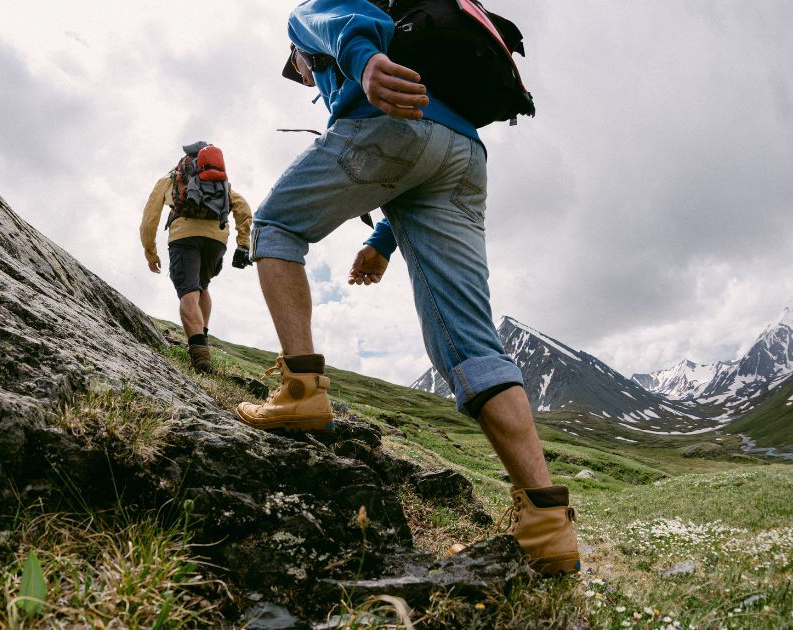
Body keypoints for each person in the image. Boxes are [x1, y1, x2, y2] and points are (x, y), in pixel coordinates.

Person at [235, 0, 579, 576]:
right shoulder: (429, 49)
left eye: (299, 70)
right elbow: (424, 158)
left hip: (390, 126)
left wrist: (364, 63)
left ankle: (300, 392)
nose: (302, 74)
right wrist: (383, 242)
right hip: (465, 155)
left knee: (275, 227)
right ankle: (548, 527)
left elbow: (334, 18)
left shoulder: (309, 27)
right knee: (472, 343)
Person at [140, 142, 254, 373]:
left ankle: (200, 358)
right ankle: (203, 339)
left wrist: (150, 252)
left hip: (184, 237)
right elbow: (243, 209)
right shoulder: (221, 183)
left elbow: (149, 219)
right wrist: (243, 244)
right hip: (216, 240)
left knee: (188, 293)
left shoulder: (170, 180)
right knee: (202, 286)